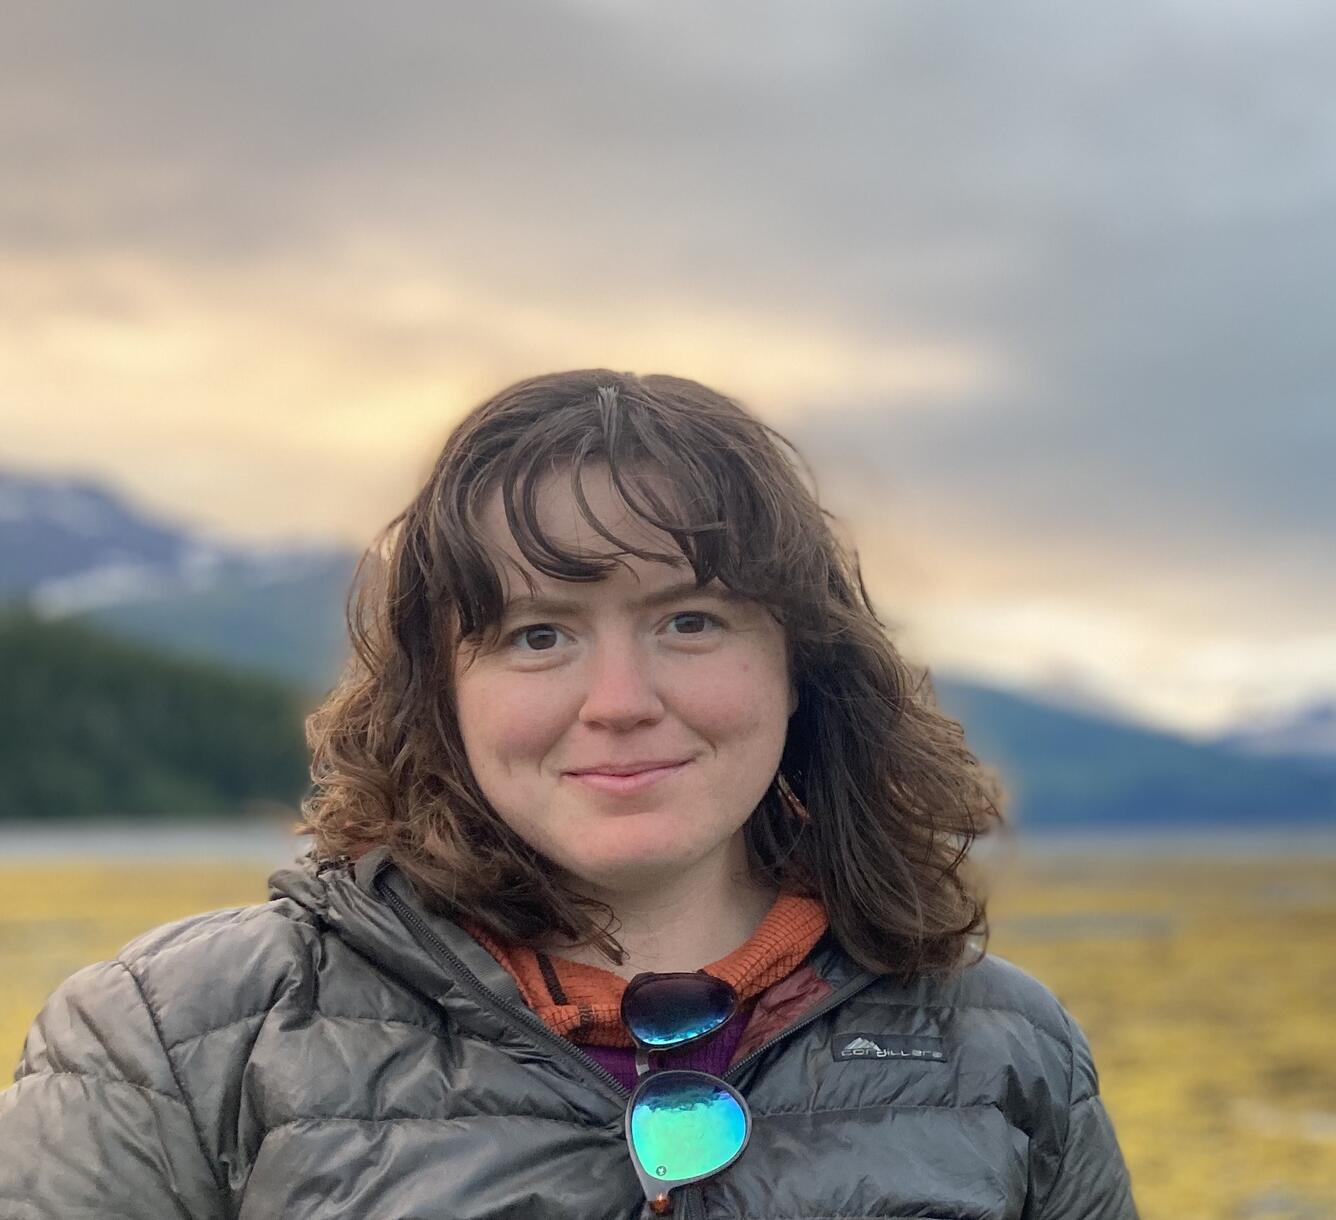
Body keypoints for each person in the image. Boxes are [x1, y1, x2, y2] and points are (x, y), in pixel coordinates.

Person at [0, 369, 1139, 1219]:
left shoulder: (1005, 1050)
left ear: (803, 662)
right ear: (438, 695)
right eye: (537, 633)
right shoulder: (171, 1038)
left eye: (689, 619)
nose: (618, 698)